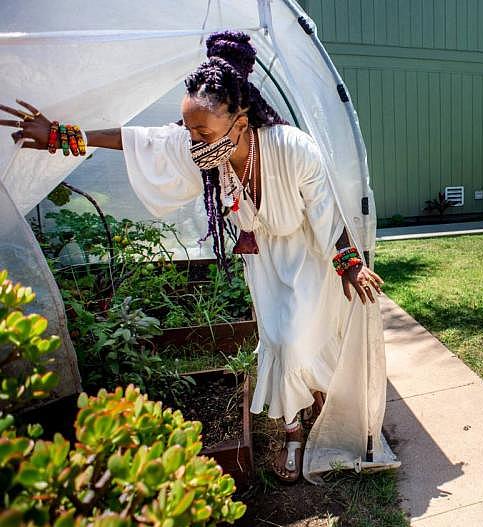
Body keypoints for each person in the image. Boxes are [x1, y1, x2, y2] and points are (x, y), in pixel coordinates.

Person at [1, 31, 386, 483]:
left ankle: (320, 407)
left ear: (240, 122)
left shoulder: (293, 148)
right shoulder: (204, 148)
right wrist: (63, 136)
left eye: (202, 129)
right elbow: (137, 140)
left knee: (305, 338)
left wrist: (349, 263)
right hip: (262, 258)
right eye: (188, 128)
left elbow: (326, 212)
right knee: (280, 342)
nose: (191, 138)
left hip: (310, 253)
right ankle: (293, 429)